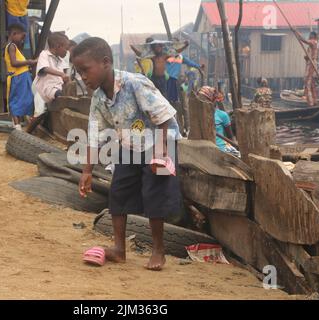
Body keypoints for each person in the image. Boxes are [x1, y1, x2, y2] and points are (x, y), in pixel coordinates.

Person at [73, 37, 181, 271]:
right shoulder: (99, 98)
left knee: (155, 195)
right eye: (78, 72)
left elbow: (164, 118)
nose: (82, 77)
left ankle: (158, 251)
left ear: (105, 63)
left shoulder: (135, 83)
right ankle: (119, 250)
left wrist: (161, 154)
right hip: (129, 146)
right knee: (118, 193)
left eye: (85, 70)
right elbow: (94, 135)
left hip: (159, 142)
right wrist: (87, 171)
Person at [4, 23, 36, 130]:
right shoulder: (11, 46)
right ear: (14, 34)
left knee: (25, 100)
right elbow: (14, 63)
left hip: (22, 77)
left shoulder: (15, 48)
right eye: (22, 37)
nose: (23, 40)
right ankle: (17, 127)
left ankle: (17, 125)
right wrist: (29, 62)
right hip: (18, 78)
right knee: (17, 101)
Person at [166, 49, 203, 134]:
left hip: (182, 83)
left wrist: (199, 66)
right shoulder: (168, 58)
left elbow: (190, 63)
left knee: (185, 106)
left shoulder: (181, 57)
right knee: (177, 106)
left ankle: (188, 127)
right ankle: (180, 129)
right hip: (172, 83)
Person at [34, 32, 70, 105]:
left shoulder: (60, 60)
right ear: (58, 46)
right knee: (62, 97)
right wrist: (62, 74)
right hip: (47, 89)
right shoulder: (44, 54)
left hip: (58, 87)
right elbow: (44, 68)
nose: (67, 52)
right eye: (66, 48)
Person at [296, 31, 319, 107]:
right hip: (312, 63)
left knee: (307, 83)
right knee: (312, 83)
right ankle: (314, 101)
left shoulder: (313, 42)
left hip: (311, 64)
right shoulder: (316, 44)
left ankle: (311, 103)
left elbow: (304, 40)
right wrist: (307, 58)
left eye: (310, 35)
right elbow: (312, 56)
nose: (309, 36)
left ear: (312, 36)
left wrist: (297, 32)